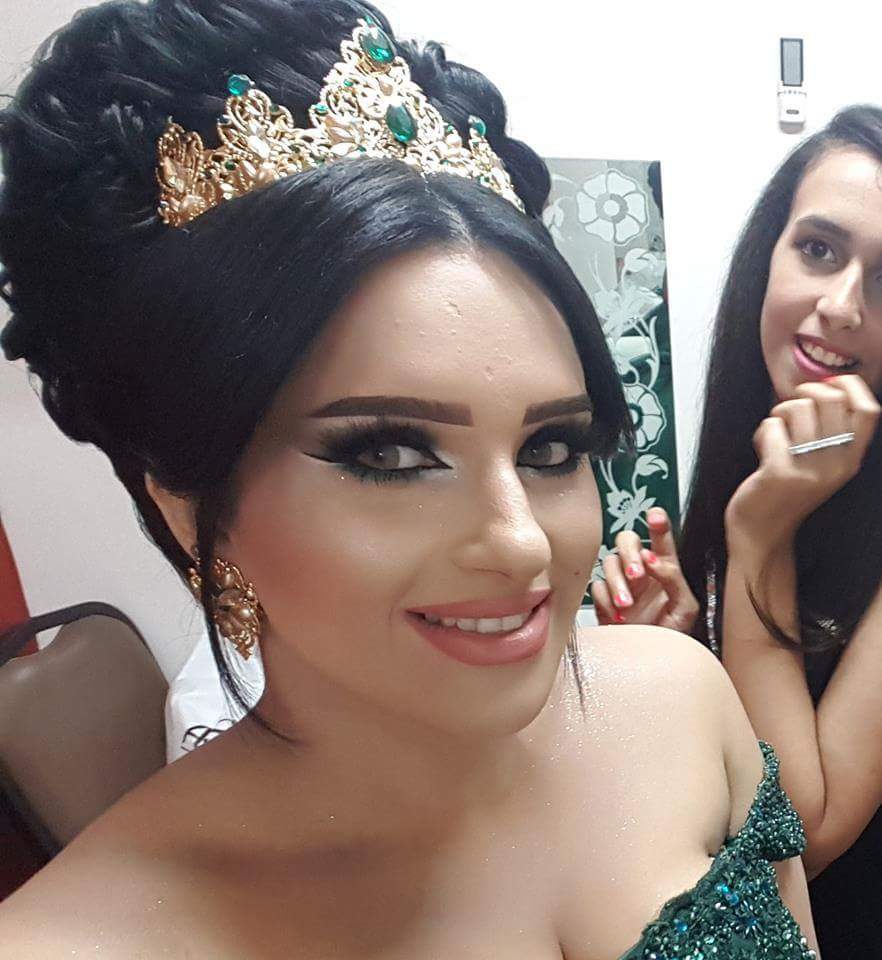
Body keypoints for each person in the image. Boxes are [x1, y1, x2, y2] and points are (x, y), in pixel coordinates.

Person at [0, 1, 820, 956]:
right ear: (187, 506)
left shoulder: (681, 702)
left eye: (551, 448)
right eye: (389, 455)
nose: (521, 541)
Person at [591, 108, 882, 958]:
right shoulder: (754, 451)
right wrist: (680, 653)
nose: (841, 305)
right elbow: (740, 766)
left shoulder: (764, 504)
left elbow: (805, 835)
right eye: (819, 249)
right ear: (768, 255)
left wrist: (760, 537)